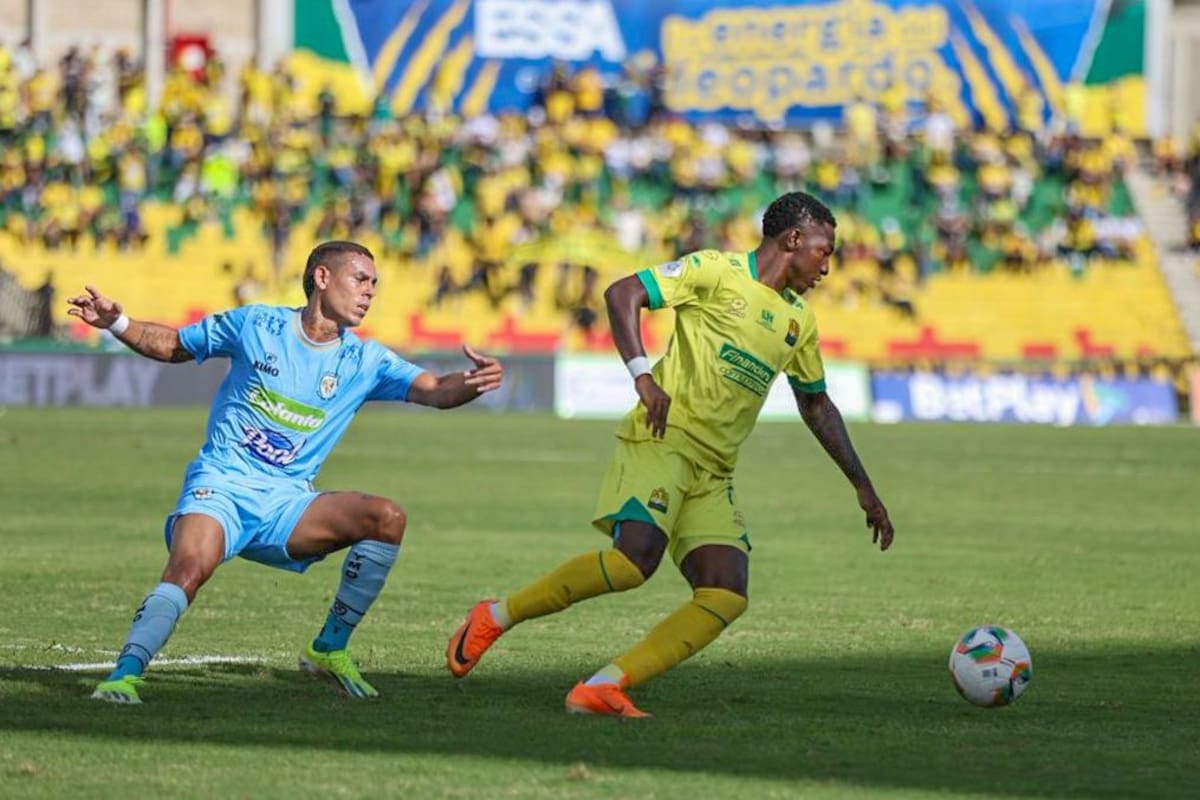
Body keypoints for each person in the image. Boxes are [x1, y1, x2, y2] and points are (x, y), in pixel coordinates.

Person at [445, 192, 894, 717]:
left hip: (714, 471)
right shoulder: (714, 270)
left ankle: (603, 686)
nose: (827, 266)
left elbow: (815, 403)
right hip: (663, 439)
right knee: (635, 561)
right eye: (824, 251)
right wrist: (643, 376)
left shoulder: (800, 321)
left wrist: (862, 486)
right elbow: (622, 293)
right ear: (793, 240)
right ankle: (497, 615)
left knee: (726, 592)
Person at [69, 240, 504, 704]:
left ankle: (327, 649)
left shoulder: (365, 360)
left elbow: (435, 388)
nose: (370, 292)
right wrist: (116, 321)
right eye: (360, 279)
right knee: (190, 568)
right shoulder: (257, 325)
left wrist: (472, 383)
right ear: (322, 278)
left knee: (386, 517)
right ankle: (124, 675)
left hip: (288, 505)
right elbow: (176, 345)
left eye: (374, 284)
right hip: (222, 487)